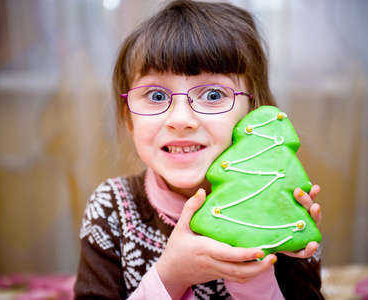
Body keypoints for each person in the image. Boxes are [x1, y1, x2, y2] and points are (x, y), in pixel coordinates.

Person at [74, 0, 324, 299]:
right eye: (155, 95)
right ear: (129, 119)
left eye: (214, 94)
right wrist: (170, 277)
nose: (181, 120)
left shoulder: (283, 205)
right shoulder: (111, 209)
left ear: (252, 114)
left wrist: (253, 275)